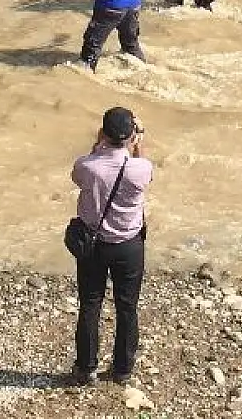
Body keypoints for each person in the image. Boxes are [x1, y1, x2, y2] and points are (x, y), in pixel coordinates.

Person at [69, 107, 153, 386]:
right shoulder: (141, 168)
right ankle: (122, 370)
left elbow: (78, 175)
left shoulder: (87, 165)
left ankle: (85, 368)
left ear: (103, 133)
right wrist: (138, 144)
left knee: (90, 304)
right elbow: (145, 172)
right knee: (127, 307)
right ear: (131, 136)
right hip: (129, 245)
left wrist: (97, 146)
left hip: (93, 244)